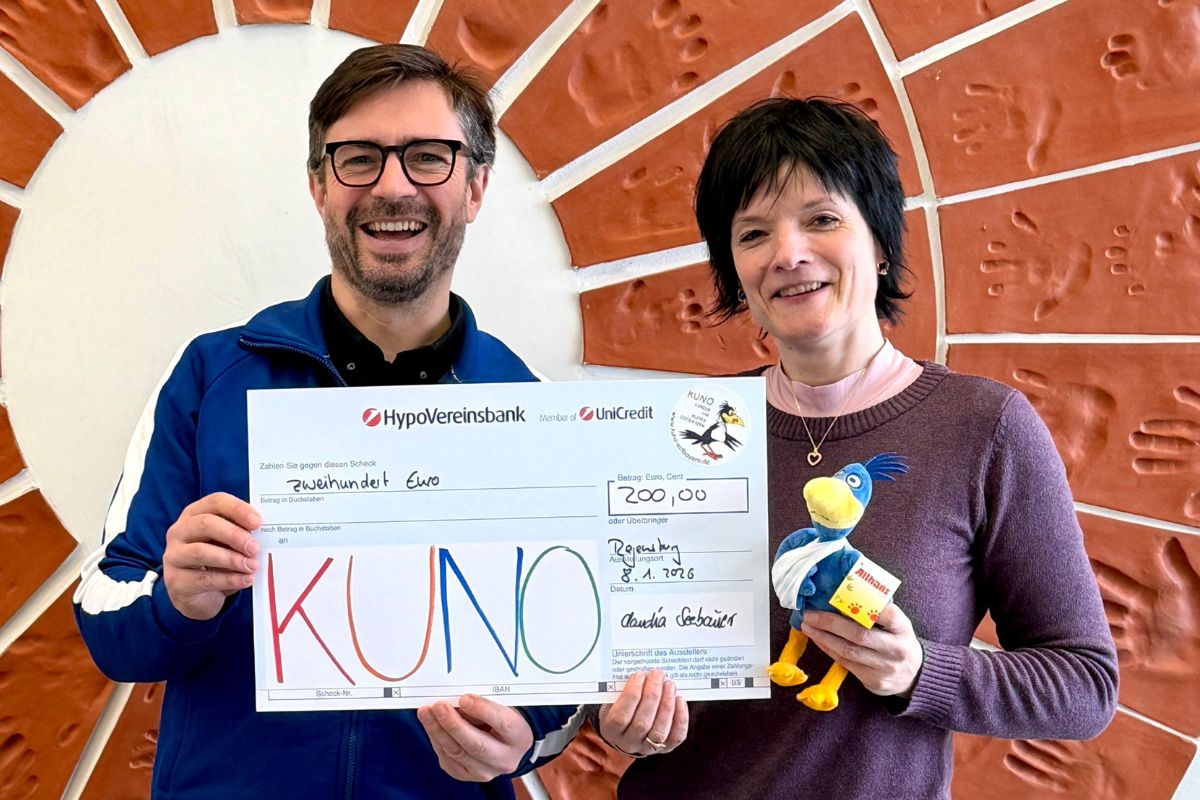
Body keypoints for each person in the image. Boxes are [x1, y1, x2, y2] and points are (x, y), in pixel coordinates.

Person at [72, 44, 585, 798]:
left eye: (428, 157)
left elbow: (567, 678)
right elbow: (107, 614)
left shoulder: (533, 410)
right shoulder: (211, 377)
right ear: (319, 186)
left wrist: (524, 738)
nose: (392, 186)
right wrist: (175, 599)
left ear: (476, 186)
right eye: (358, 159)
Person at [610, 97, 1118, 799]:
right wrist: (622, 717)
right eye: (753, 233)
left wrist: (920, 671)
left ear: (880, 243)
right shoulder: (687, 429)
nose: (788, 254)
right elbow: (618, 650)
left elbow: (1084, 685)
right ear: (734, 270)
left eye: (821, 219)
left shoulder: (984, 427)